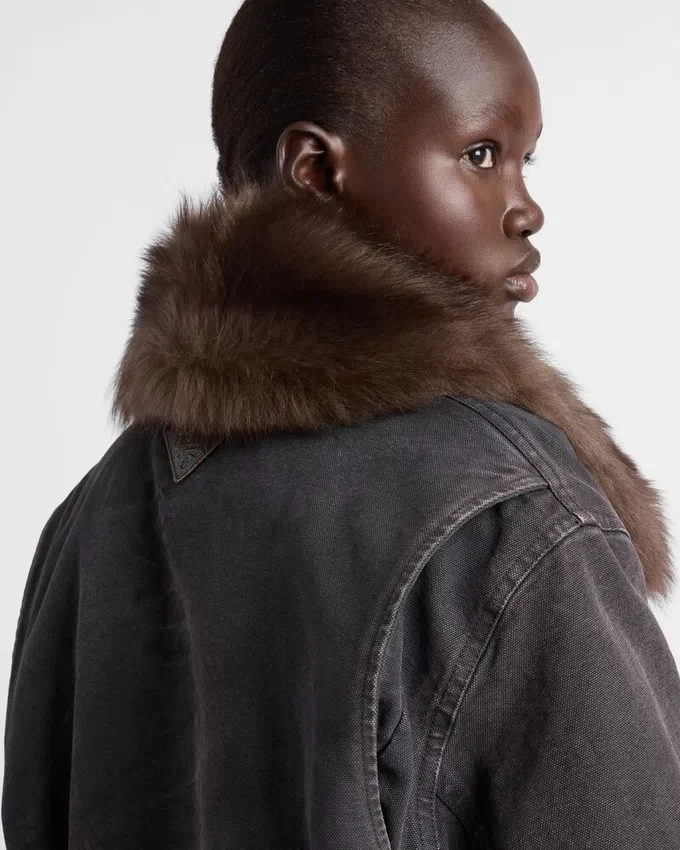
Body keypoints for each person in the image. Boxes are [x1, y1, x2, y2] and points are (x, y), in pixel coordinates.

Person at [3, 0, 679, 847]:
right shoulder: (504, 513)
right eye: (480, 154)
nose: (526, 208)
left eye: (524, 160)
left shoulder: (87, 524)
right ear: (318, 172)